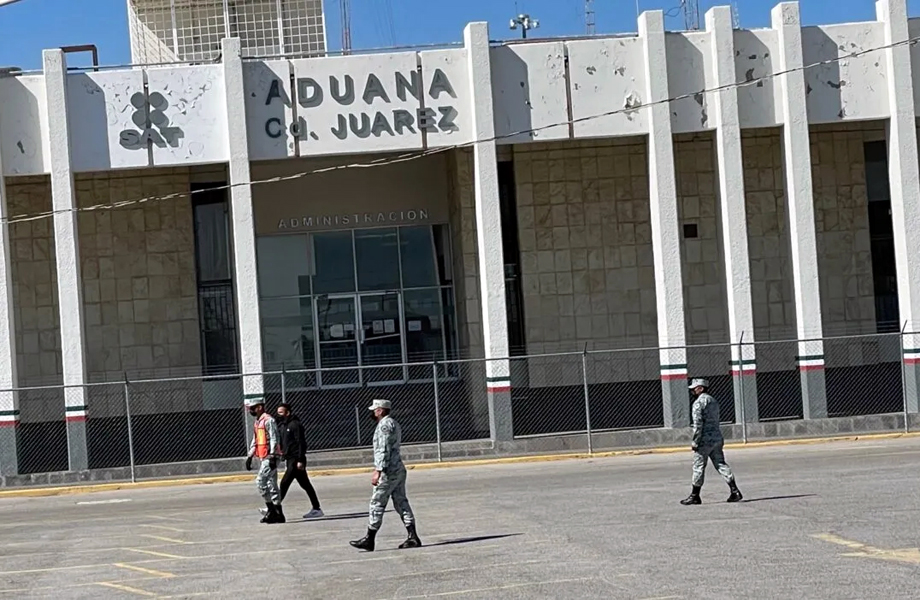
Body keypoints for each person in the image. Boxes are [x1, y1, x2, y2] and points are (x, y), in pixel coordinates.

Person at [350, 399, 421, 552]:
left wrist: (378, 470)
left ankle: (370, 538)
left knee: (377, 503)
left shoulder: (384, 426)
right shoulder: (393, 423)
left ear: (381, 410)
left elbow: (383, 448)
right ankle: (412, 535)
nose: (372, 413)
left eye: (375, 410)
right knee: (401, 501)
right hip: (398, 468)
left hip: (389, 471)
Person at [681, 378, 743, 505]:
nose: (692, 390)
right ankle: (734, 490)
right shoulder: (713, 401)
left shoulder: (698, 403)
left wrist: (695, 441)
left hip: (704, 439)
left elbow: (698, 424)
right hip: (716, 437)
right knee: (721, 464)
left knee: (698, 466)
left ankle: (695, 495)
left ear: (701, 388)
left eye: (695, 388)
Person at [276, 403, 324, 519]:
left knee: (284, 483)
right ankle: (316, 508)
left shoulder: (295, 425)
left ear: (287, 412)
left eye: (281, 413)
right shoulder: (282, 425)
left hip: (296, 459)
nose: (279, 415)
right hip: (289, 458)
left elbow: (301, 443)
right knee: (305, 484)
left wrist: (300, 460)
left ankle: (274, 507)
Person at [244, 397, 285, 523]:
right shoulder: (258, 422)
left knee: (260, 482)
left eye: (253, 408)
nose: (251, 411)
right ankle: (279, 514)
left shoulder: (269, 420)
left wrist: (272, 455)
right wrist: (250, 456)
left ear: (260, 407)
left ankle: (271, 510)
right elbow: (255, 440)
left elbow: (274, 437)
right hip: (263, 456)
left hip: (270, 457)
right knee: (272, 485)